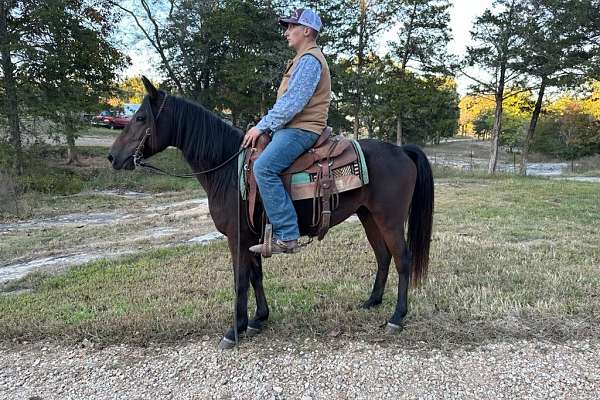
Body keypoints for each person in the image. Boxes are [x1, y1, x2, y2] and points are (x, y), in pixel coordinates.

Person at [243, 8, 331, 255]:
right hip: (291, 128)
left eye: (291, 27)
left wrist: (262, 125)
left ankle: (287, 235)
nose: (286, 33)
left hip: (301, 130)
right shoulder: (301, 59)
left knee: (264, 168)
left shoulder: (310, 60)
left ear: (307, 30)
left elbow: (293, 103)